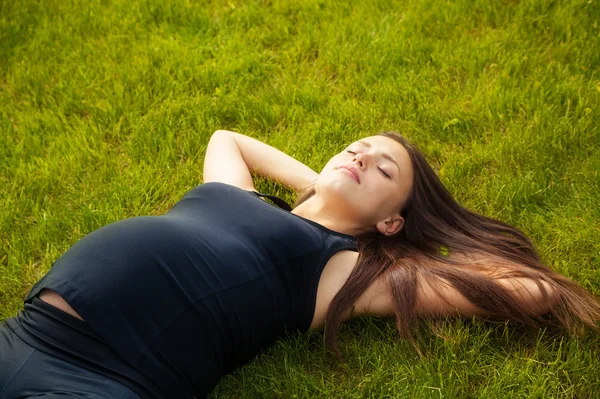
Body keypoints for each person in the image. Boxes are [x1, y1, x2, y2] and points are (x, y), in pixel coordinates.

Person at [1, 130, 598, 398]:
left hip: (104, 379)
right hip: (24, 335)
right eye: (356, 149)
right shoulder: (238, 195)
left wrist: (425, 253)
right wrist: (321, 190)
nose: (361, 157)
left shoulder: (347, 273)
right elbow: (227, 139)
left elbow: (534, 291)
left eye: (382, 170)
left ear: (392, 222)